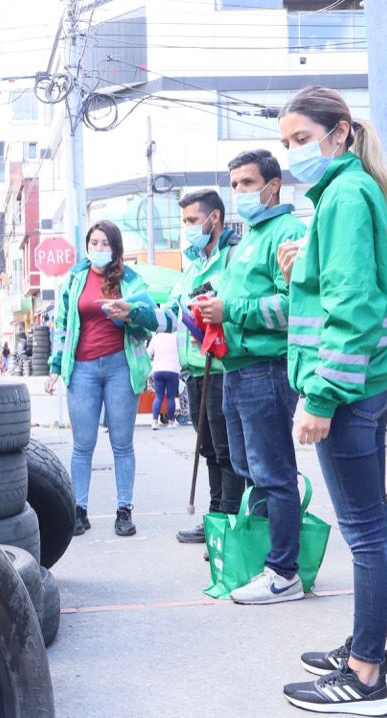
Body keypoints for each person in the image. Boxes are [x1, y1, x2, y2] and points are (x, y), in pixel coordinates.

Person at [273, 86, 387, 716]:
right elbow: (338, 291)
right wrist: (298, 268)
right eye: (288, 144)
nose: (294, 154)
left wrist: (321, 396)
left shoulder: (346, 197)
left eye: (302, 140)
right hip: (365, 384)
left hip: (348, 390)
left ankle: (364, 676)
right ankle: (368, 647)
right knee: (374, 526)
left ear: (341, 133)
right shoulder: (348, 194)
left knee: (364, 532)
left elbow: (353, 310)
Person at [193, 149, 308, 604]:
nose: (238, 192)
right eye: (234, 184)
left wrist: (230, 309)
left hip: (267, 369)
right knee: (248, 469)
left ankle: (284, 571)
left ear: (272, 185)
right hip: (235, 368)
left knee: (273, 473)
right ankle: (265, 559)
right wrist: (209, 306)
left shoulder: (289, 232)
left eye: (246, 183)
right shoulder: (248, 239)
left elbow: (294, 307)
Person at [45, 219, 165, 537]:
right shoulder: (74, 279)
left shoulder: (131, 280)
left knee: (122, 444)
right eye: (94, 243)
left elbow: (150, 320)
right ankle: (79, 511)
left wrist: (127, 314)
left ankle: (124, 511)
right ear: (87, 246)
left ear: (116, 248)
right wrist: (55, 368)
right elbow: (62, 326)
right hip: (81, 369)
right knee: (82, 445)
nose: (99, 249)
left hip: (120, 367)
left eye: (106, 244)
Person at [170, 189, 246, 546]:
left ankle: (229, 522)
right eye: (183, 221)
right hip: (195, 370)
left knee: (227, 451)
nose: (186, 228)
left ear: (214, 218)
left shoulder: (233, 256)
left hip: (220, 366)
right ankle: (215, 518)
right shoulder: (193, 263)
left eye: (191, 220)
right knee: (209, 450)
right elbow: (175, 309)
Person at [148, 330, 180, 429]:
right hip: (173, 370)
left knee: (158, 397)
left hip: (158, 370)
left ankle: (154, 422)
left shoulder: (156, 337)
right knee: (171, 397)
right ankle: (170, 422)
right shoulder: (176, 337)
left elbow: (148, 354)